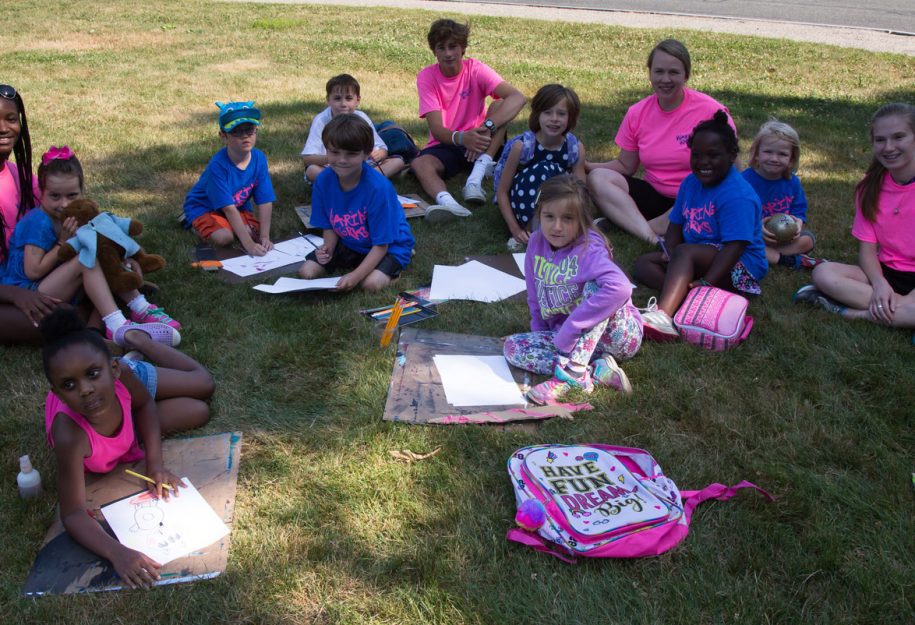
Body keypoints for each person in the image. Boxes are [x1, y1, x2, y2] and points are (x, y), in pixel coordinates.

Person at [40, 307, 212, 589]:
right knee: (195, 410)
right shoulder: (70, 436)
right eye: (69, 384)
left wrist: (154, 463)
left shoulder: (123, 378)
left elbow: (143, 404)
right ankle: (114, 392)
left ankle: (139, 341)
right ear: (57, 393)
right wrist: (117, 553)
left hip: (126, 393)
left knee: (202, 392)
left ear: (114, 369)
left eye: (92, 373)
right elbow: (72, 514)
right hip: (112, 417)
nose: (85, 389)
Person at [1, 147, 182, 340]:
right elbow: (32, 271)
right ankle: (116, 324)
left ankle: (141, 308)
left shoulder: (76, 215)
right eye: (55, 196)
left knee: (102, 248)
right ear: (41, 192)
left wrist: (125, 255)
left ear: (81, 191)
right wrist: (62, 242)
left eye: (72, 196)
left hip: (55, 281)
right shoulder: (38, 222)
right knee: (86, 257)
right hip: (32, 291)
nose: (64, 204)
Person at [503, 175, 643, 405]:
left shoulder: (589, 248)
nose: (557, 227)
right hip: (577, 340)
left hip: (619, 337)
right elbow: (534, 294)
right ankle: (598, 369)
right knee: (512, 347)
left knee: (597, 287)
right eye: (549, 217)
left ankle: (575, 373)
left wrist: (571, 328)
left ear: (582, 221)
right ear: (539, 215)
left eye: (567, 219)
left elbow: (621, 288)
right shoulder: (536, 243)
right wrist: (539, 332)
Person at [632, 111, 767, 340]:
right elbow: (676, 222)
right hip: (699, 257)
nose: (703, 162)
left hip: (738, 266)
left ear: (732, 155)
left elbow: (734, 247)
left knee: (685, 252)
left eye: (713, 155)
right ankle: (690, 300)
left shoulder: (737, 195)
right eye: (696, 155)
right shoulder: (690, 183)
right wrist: (670, 252)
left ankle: (664, 316)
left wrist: (707, 282)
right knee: (643, 264)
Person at [587, 39, 736, 246]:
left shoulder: (711, 111)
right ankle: (653, 237)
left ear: (686, 75)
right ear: (650, 74)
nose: (665, 79)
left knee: (694, 197)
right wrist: (586, 166)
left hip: (698, 195)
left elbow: (732, 167)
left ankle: (633, 224)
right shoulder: (637, 112)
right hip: (656, 195)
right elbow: (625, 166)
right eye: (659, 71)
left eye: (674, 72)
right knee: (598, 178)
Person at [794, 103, 915, 332]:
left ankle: (852, 313)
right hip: (885, 271)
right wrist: (880, 284)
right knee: (823, 273)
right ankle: (903, 312)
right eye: (880, 140)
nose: (889, 147)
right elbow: (867, 250)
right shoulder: (869, 188)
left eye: (899, 137)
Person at [412, 18, 526, 223]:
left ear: (463, 48)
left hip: (482, 140)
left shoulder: (476, 69)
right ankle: (449, 204)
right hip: (449, 142)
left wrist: (486, 127)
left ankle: (475, 178)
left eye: (453, 46)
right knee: (420, 163)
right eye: (441, 47)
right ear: (434, 51)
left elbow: (518, 97)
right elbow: (437, 130)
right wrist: (463, 138)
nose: (448, 53)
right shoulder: (426, 77)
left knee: (500, 105)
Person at [297, 114, 415, 292]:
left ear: (367, 154)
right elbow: (329, 224)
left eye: (351, 154)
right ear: (326, 151)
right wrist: (327, 248)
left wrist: (355, 276)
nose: (342, 160)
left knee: (370, 284)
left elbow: (381, 245)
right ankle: (360, 264)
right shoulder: (323, 181)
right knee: (307, 271)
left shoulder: (378, 188)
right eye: (335, 152)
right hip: (349, 242)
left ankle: (396, 269)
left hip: (389, 246)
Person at [0, 84, 60, 342]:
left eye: (11, 119)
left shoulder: (24, 178)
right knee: (64, 318)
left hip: (29, 278)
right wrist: (14, 295)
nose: (3, 128)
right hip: (8, 293)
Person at [494, 84, 586, 252]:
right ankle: (531, 232)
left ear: (570, 117)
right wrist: (515, 229)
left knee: (567, 184)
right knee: (543, 170)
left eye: (561, 113)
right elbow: (502, 192)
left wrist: (585, 227)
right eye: (547, 112)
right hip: (522, 205)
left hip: (556, 206)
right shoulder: (522, 146)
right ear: (537, 115)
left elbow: (581, 192)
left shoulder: (574, 148)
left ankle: (559, 230)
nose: (554, 119)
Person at [182, 101, 275, 256]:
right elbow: (228, 209)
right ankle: (191, 221)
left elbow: (265, 201)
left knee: (253, 232)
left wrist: (265, 237)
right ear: (223, 136)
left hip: (237, 207)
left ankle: (230, 225)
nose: (245, 135)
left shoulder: (259, 158)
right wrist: (249, 245)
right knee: (225, 238)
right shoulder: (217, 166)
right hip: (205, 207)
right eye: (237, 132)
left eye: (250, 130)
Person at [742, 120, 823, 270]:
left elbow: (798, 210)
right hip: (755, 236)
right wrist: (758, 228)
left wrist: (797, 223)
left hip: (783, 237)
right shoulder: (745, 181)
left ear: (791, 159)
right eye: (768, 152)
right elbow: (738, 215)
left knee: (808, 239)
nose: (774, 158)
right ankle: (787, 260)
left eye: (782, 154)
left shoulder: (792, 182)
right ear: (757, 154)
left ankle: (769, 255)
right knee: (742, 245)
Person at [301, 74, 405, 183]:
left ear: (357, 100)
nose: (343, 104)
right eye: (337, 98)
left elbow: (382, 148)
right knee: (312, 170)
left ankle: (354, 182)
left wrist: (380, 154)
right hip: (333, 168)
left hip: (360, 166)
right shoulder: (321, 121)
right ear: (328, 100)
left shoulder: (362, 117)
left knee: (398, 162)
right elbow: (308, 159)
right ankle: (360, 182)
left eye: (349, 98)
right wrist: (335, 158)